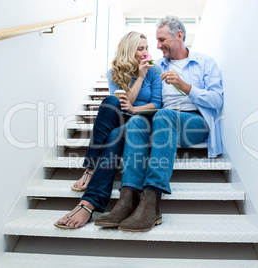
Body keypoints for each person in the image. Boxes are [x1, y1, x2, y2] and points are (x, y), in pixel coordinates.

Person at [95, 16, 224, 232]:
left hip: (195, 122)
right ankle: (127, 198)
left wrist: (185, 86)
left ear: (179, 36)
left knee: (164, 115)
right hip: (163, 121)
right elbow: (147, 100)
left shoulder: (205, 63)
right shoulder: (156, 66)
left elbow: (217, 100)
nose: (157, 46)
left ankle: (152, 202)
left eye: (162, 39)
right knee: (136, 122)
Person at [54, 31, 162, 229]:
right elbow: (121, 102)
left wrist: (135, 108)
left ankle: (88, 199)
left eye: (146, 48)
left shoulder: (154, 71)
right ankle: (90, 172)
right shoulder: (115, 71)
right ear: (129, 50)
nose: (145, 52)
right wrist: (138, 78)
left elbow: (156, 104)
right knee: (110, 101)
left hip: (142, 119)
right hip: (121, 115)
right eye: (140, 49)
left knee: (114, 134)